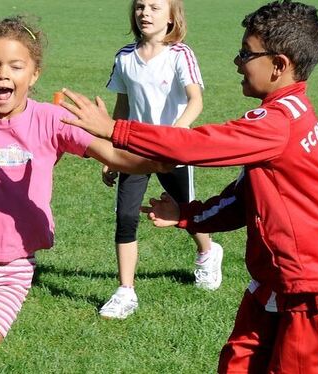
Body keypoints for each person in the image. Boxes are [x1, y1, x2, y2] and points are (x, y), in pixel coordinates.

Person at [60, 1, 318, 372]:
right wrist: (186, 215)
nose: (237, 61)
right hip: (272, 281)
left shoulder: (278, 123)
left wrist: (115, 131)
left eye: (246, 54)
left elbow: (197, 145)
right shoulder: (282, 119)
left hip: (312, 292)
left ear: (279, 65)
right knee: (235, 364)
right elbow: (242, 197)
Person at [0, 16, 170, 373]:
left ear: (34, 74)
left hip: (10, 272)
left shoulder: (50, 120)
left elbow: (115, 156)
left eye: (15, 66)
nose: (2, 73)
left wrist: (164, 158)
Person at [97, 0, 224, 320]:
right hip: (134, 151)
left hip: (173, 151)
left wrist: (175, 137)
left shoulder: (181, 54)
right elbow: (122, 108)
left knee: (188, 213)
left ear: (171, 16)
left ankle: (208, 253)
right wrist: (110, 153)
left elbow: (195, 101)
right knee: (126, 216)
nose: (145, 13)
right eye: (141, 6)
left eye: (155, 7)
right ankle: (125, 292)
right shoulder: (124, 57)